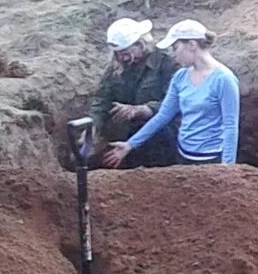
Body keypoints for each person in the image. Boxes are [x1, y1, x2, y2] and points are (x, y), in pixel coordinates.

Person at [106, 19, 241, 165]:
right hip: (183, 156)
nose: (173, 55)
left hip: (212, 159)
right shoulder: (180, 77)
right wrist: (130, 144)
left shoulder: (224, 79)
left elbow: (230, 126)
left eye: (175, 47)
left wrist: (228, 168)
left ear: (192, 45)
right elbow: (163, 115)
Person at [92, 18, 179, 168]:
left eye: (126, 53)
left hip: (161, 141)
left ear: (140, 44)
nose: (121, 58)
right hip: (126, 140)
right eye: (117, 54)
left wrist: (143, 110)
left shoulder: (167, 64)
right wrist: (93, 126)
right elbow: (102, 100)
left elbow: (177, 103)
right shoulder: (115, 67)